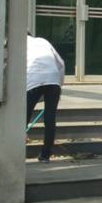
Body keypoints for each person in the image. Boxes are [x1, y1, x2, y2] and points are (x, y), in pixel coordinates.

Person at [26, 33, 65, 162]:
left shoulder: (18, 43)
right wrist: (59, 84)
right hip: (53, 79)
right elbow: (61, 63)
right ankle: (45, 155)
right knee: (50, 120)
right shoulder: (43, 41)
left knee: (23, 117)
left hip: (32, 78)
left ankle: (17, 152)